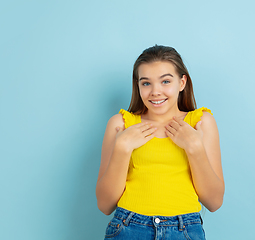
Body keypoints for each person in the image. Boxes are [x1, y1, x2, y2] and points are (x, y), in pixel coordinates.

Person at [96, 45, 225, 239]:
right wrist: (122, 148)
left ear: (182, 82)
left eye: (165, 81)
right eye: (146, 83)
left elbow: (214, 202)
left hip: (184, 230)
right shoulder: (121, 124)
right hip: (129, 227)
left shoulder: (200, 123)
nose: (155, 91)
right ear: (137, 85)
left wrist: (195, 148)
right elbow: (105, 205)